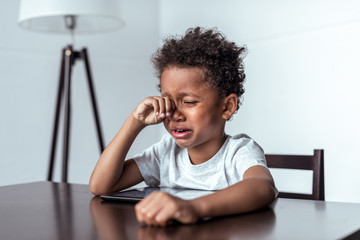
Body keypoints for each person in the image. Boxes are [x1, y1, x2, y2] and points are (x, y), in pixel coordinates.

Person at [89, 27, 277, 227]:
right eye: (168, 101)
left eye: (188, 102)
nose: (176, 114)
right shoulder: (166, 152)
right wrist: (135, 121)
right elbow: (101, 186)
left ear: (227, 106)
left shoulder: (238, 151)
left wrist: (193, 208)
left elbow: (263, 187)